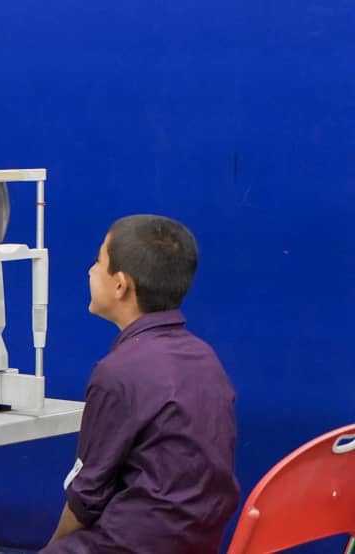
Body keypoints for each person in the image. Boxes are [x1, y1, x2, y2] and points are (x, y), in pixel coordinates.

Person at [42, 215, 239, 553]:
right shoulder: (205, 357)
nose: (90, 271)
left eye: (98, 261)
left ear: (121, 285)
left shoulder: (117, 373)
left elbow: (87, 495)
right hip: (197, 540)